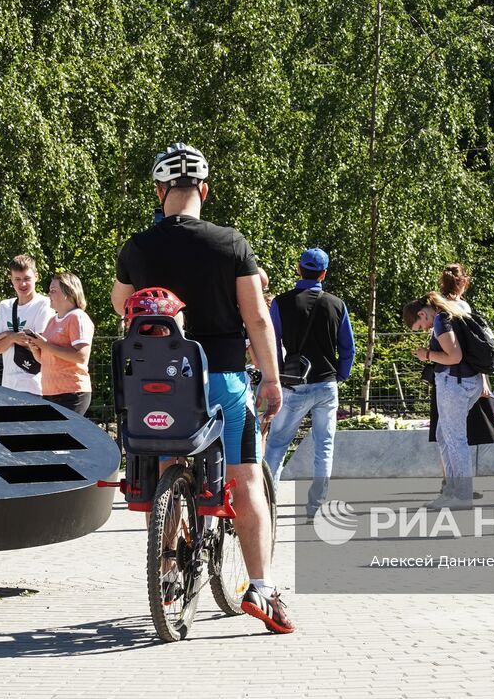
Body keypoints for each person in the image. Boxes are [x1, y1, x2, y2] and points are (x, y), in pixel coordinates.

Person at [110, 143, 291, 634]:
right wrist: (271, 379)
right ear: (203, 191)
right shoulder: (230, 244)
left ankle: (168, 565)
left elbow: (119, 305)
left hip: (161, 389)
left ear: (159, 190)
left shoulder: (137, 248)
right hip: (223, 380)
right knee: (247, 477)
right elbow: (255, 316)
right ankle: (262, 588)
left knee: (170, 462)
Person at [264, 248, 356, 520]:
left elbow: (272, 342)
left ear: (298, 269)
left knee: (277, 445)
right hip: (326, 384)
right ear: (324, 273)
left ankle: (267, 503)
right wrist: (340, 374)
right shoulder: (337, 304)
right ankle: (316, 505)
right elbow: (347, 347)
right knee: (324, 445)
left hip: (293, 385)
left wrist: (277, 374)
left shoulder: (280, 303)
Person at [403, 292, 489, 510]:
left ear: (422, 313)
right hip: (470, 382)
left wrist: (427, 355)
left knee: (454, 439)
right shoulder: (453, 311)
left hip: (455, 383)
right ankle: (452, 490)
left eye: (421, 326)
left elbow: (454, 356)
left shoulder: (441, 319)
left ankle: (461, 494)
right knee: (444, 434)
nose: (424, 330)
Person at [23, 271, 94, 416]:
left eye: (53, 291)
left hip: (72, 393)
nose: (49, 294)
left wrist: (46, 345)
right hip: (50, 393)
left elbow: (81, 357)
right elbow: (45, 359)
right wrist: (36, 348)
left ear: (68, 293)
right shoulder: (52, 320)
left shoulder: (77, 317)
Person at [0, 255, 55, 396]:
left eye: (26, 279)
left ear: (36, 276)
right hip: (8, 387)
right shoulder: (4, 306)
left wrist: (6, 335)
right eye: (17, 279)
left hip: (35, 385)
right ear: (11, 279)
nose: (22, 284)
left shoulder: (45, 304)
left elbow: (38, 342)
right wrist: (13, 337)